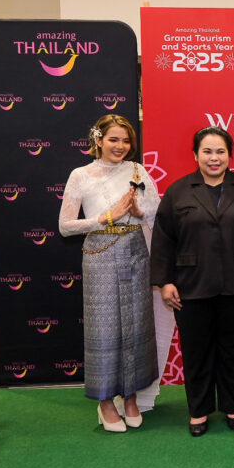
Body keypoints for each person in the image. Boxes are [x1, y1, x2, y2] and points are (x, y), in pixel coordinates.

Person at [150, 127, 234, 437]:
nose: (214, 158)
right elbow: (164, 239)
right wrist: (165, 281)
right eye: (208, 151)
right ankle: (199, 409)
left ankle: (233, 404)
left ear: (229, 155)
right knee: (197, 352)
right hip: (191, 286)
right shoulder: (178, 191)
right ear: (195, 155)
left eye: (220, 151)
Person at [58, 114, 160, 433]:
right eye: (114, 139)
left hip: (134, 251)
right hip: (100, 253)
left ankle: (130, 396)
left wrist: (137, 211)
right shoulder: (81, 175)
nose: (121, 146)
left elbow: (153, 210)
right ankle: (105, 401)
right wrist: (106, 217)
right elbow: (65, 226)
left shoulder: (136, 171)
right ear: (98, 139)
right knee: (104, 329)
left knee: (135, 324)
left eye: (126, 140)